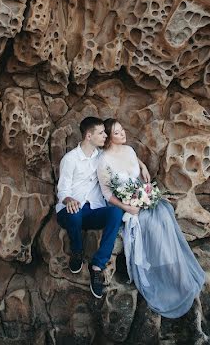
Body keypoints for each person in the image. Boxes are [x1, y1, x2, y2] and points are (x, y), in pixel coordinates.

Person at [97, 118, 206, 318]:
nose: (123, 134)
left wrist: (143, 167)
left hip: (141, 197)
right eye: (118, 133)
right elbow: (107, 194)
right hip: (126, 206)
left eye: (122, 130)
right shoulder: (103, 160)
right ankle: (169, 275)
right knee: (151, 224)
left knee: (165, 211)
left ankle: (178, 271)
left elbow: (133, 167)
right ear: (109, 139)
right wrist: (127, 207)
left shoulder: (129, 150)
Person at [54, 116, 149, 298]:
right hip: (71, 211)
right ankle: (77, 251)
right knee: (74, 213)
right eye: (101, 133)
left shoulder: (101, 157)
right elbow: (62, 190)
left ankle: (97, 265)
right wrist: (69, 201)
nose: (105, 135)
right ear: (88, 136)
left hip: (94, 210)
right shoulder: (70, 159)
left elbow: (122, 157)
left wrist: (142, 165)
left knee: (115, 212)